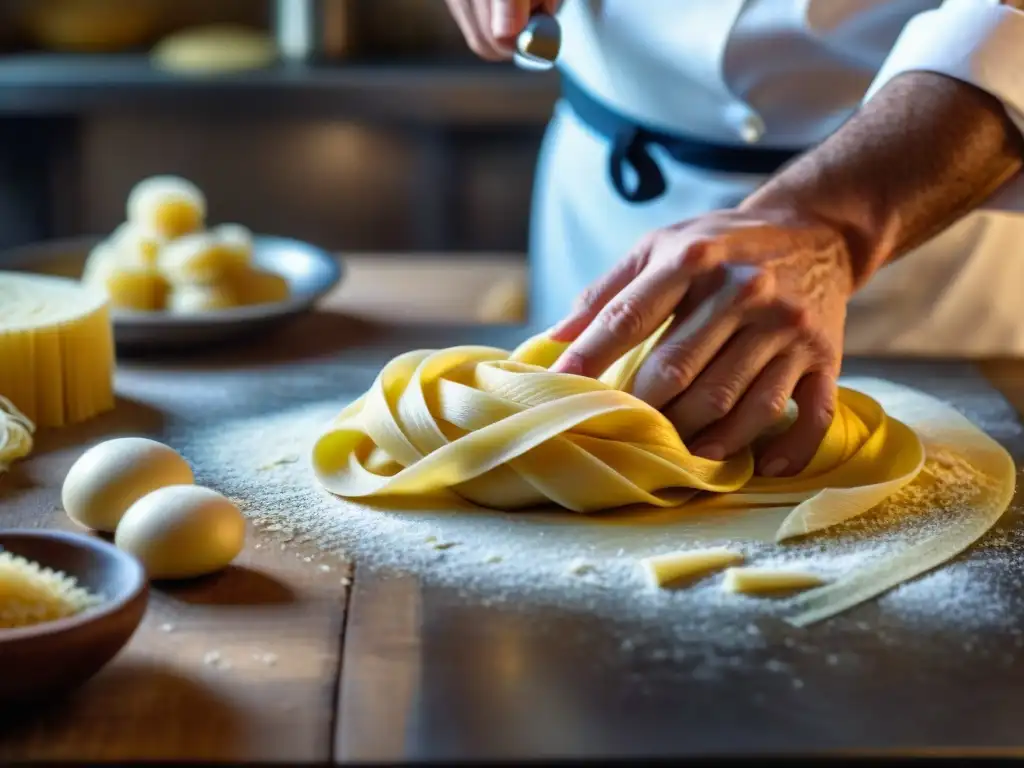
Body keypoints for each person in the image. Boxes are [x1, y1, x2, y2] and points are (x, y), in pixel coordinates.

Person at [444, 0, 1024, 477]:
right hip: (606, 192)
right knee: (566, 475)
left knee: (913, 485)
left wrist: (835, 228)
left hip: (924, 200)